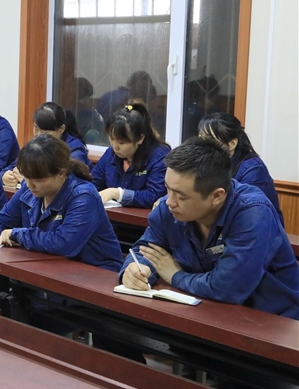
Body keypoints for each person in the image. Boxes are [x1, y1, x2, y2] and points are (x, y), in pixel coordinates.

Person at [120, 137, 298, 319]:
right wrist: (136, 270)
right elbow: (144, 250)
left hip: (273, 321)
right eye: (167, 189)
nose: (169, 202)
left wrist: (175, 275)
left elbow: (226, 288)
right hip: (204, 312)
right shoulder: (169, 209)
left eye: (181, 196)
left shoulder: (253, 213)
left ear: (216, 196)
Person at [0, 135, 122, 272]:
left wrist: (17, 234)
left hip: (96, 272)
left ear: (61, 173)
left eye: (38, 179)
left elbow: (64, 244)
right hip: (49, 266)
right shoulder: (29, 188)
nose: (30, 185)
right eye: (27, 177)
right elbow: (1, 220)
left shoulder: (84, 196)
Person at [198, 112, 284, 226]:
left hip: (258, 228)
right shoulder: (210, 162)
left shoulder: (253, 168)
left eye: (209, 140)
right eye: (201, 138)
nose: (202, 145)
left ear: (232, 144)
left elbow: (245, 210)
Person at [91, 103, 170, 208]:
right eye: (111, 138)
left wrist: (117, 193)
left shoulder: (159, 156)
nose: (115, 146)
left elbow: (154, 195)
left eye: (122, 142)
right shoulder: (110, 154)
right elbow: (93, 183)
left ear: (140, 139)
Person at [1, 102, 90, 187]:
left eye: (45, 133)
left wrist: (27, 181)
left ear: (61, 129)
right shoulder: (36, 144)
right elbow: (16, 165)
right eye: (36, 128)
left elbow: (68, 185)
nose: (38, 135)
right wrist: (4, 176)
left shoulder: (75, 150)